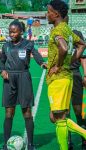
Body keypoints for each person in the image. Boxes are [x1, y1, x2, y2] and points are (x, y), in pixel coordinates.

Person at [0, 20, 47, 150]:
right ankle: (5, 144)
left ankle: (30, 144)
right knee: (9, 112)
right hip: (9, 80)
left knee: (27, 111)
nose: (11, 34)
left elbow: (36, 55)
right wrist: (2, 70)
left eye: (14, 31)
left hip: (24, 77)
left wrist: (42, 63)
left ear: (21, 31)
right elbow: (1, 62)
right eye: (10, 32)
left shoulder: (28, 44)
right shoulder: (6, 46)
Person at [46, 0, 86, 150]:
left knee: (58, 118)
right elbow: (82, 44)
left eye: (49, 11)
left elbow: (63, 48)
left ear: (56, 14)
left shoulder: (57, 30)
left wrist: (58, 65)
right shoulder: (67, 29)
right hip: (66, 77)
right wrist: (72, 59)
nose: (47, 14)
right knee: (56, 117)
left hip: (58, 79)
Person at [68, 30, 86, 150]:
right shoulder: (58, 37)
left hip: (75, 76)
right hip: (61, 77)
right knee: (64, 113)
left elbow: (83, 59)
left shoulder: (77, 37)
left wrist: (85, 75)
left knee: (79, 112)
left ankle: (84, 139)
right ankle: (68, 141)